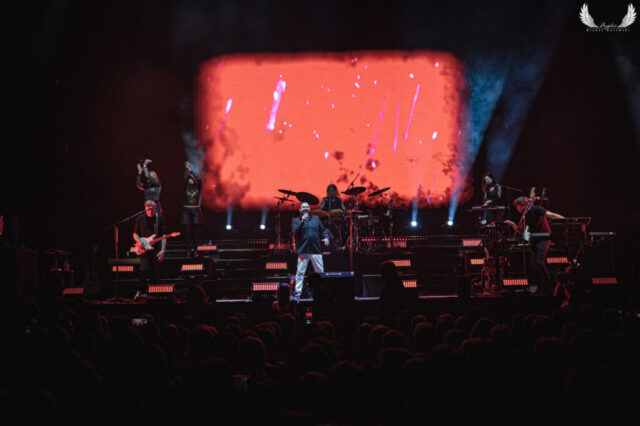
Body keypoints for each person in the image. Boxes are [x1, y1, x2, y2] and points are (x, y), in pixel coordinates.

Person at [506, 196, 565, 295]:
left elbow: (551, 215)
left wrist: (565, 219)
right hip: (534, 239)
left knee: (539, 262)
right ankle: (540, 287)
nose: (516, 209)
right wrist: (512, 224)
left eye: (517, 206)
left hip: (544, 238)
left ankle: (548, 287)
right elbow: (521, 231)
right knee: (533, 264)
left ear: (522, 205)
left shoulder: (536, 209)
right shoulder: (525, 215)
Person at [291, 202, 330, 299]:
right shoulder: (297, 221)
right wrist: (302, 222)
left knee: (320, 272)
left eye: (307, 207)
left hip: (315, 249)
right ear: (300, 210)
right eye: (303, 207)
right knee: (300, 272)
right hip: (303, 250)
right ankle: (298, 293)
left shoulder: (316, 219)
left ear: (309, 209)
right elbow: (295, 232)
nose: (305, 208)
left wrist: (326, 237)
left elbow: (323, 230)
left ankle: (322, 290)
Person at [132, 200, 167, 300]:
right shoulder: (140, 218)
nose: (150, 211)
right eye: (148, 209)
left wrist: (163, 250)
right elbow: (135, 233)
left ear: (155, 208)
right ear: (145, 208)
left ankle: (154, 295)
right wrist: (139, 241)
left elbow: (164, 236)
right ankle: (141, 292)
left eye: (152, 209)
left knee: (155, 272)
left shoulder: (160, 219)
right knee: (143, 269)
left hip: (156, 249)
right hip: (143, 248)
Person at [182, 162, 202, 257]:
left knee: (195, 230)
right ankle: (188, 249)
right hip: (186, 210)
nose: (190, 179)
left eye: (192, 178)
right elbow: (185, 178)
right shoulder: (185, 187)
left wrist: (190, 170)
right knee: (187, 230)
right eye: (189, 178)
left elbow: (199, 178)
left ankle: (195, 249)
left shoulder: (198, 187)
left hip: (195, 210)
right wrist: (187, 169)